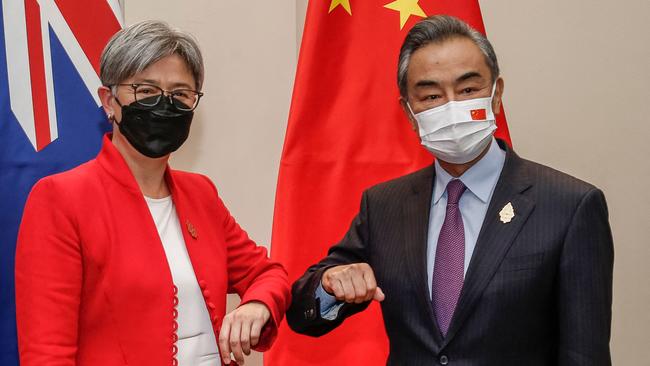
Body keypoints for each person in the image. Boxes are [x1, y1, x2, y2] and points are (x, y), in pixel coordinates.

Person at [287, 15, 613, 365]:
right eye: (431, 96)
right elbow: (303, 314)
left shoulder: (569, 206)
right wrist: (329, 286)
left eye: (469, 90)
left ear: (497, 94)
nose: (452, 107)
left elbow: (584, 355)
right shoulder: (384, 206)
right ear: (410, 113)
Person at [15, 20, 290, 366]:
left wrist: (257, 304)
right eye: (145, 91)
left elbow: (269, 273)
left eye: (180, 94)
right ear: (109, 101)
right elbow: (47, 354)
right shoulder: (60, 199)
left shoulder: (200, 193)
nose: (165, 105)